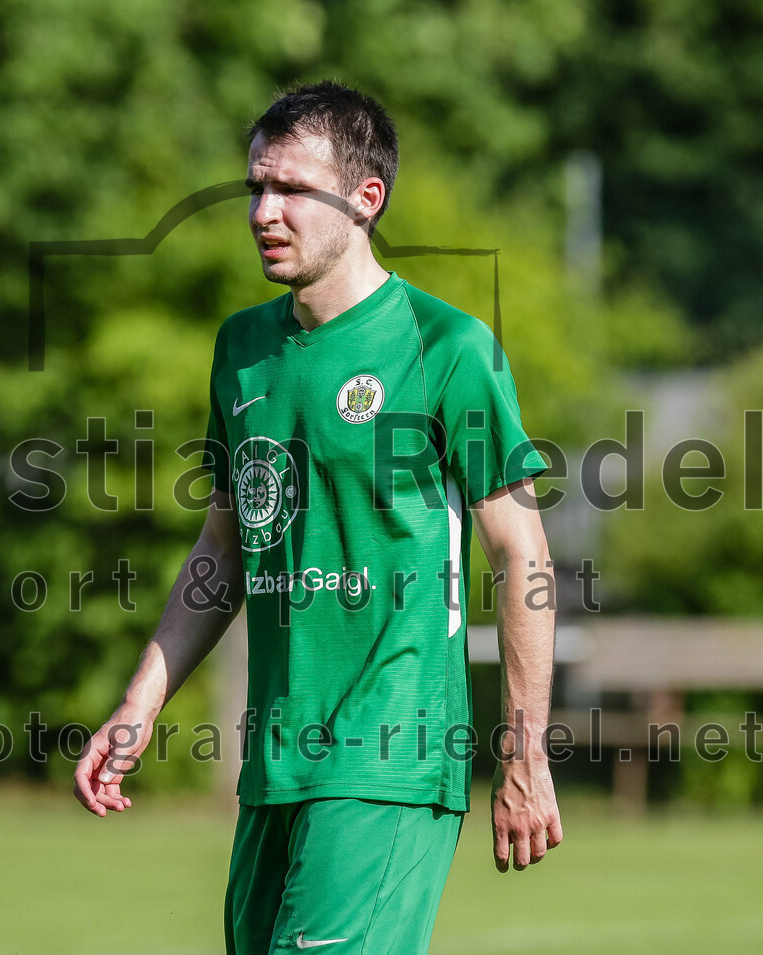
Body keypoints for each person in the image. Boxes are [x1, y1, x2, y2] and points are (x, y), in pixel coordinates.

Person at [74, 80, 563, 953]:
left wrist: (524, 753)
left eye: (293, 188)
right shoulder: (242, 347)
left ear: (365, 198)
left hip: (395, 752)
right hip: (277, 759)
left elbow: (521, 551)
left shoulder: (445, 348)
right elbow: (223, 549)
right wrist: (138, 703)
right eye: (257, 186)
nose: (265, 210)